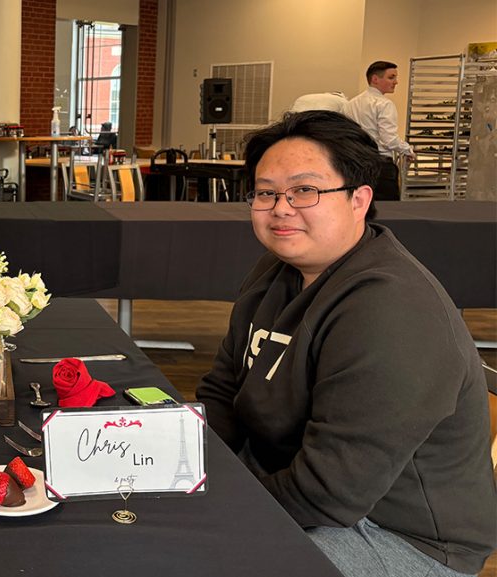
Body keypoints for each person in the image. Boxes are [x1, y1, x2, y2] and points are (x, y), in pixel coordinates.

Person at [196, 110, 495, 577]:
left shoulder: (392, 309)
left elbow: (328, 492)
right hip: (290, 488)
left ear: (359, 199)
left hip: (397, 538)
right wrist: (181, 465)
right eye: (266, 192)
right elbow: (222, 392)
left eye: (305, 190)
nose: (281, 207)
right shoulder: (274, 270)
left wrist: (213, 511)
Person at [341, 61, 415, 200]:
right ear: (375, 79)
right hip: (380, 167)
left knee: (360, 208)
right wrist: (407, 149)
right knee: (387, 211)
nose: (396, 82)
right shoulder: (384, 104)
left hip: (355, 164)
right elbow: (389, 140)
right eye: (391, 77)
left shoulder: (350, 105)